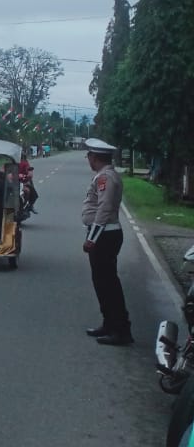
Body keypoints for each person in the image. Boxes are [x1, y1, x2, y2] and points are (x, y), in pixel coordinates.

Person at [82, 138, 131, 346]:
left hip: (105, 235)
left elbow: (104, 208)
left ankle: (120, 330)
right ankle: (109, 324)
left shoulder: (105, 178)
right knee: (102, 283)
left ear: (95, 157)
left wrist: (92, 238)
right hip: (104, 234)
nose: (88, 160)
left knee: (108, 284)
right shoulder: (104, 176)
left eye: (89, 156)